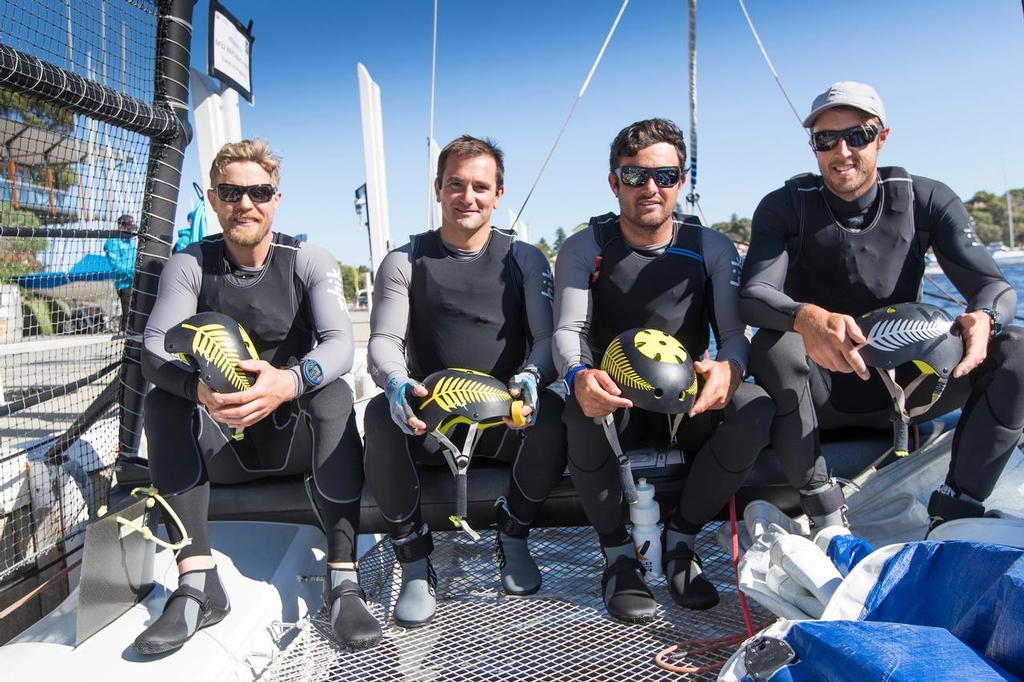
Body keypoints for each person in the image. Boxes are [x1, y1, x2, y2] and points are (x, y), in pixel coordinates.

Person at [740, 81, 1024, 534]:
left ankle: (956, 509)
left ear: (882, 137)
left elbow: (993, 285)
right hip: (823, 390)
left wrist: (984, 317)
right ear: (813, 147)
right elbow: (753, 295)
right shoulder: (784, 207)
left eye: (858, 135)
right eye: (826, 140)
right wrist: (805, 316)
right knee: (775, 346)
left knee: (1017, 350)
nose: (842, 151)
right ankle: (826, 513)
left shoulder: (925, 199)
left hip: (914, 387)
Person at [136, 139, 381, 653]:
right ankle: (199, 583)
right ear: (213, 197)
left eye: (259, 192)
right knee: (163, 401)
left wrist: (286, 383)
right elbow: (155, 350)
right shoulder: (191, 264)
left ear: (276, 198)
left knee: (332, 394)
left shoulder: (307, 259)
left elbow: (342, 344)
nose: (245, 203)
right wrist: (199, 390)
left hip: (294, 443)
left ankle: (342, 579)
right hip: (223, 444)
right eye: (230, 192)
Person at [553, 118, 774, 623]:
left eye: (666, 176)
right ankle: (618, 557)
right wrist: (579, 377)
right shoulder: (586, 246)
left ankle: (682, 541)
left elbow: (734, 336)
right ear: (614, 182)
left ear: (681, 180)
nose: (651, 188)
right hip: (618, 401)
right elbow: (568, 331)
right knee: (574, 406)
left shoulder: (710, 246)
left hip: (686, 399)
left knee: (755, 406)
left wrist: (731, 371)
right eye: (634, 177)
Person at [363, 135, 567, 628]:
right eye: (456, 184)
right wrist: (394, 382)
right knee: (375, 414)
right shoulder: (404, 260)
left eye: (481, 186)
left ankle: (514, 535)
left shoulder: (525, 260)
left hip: (505, 414)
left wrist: (532, 376)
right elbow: (383, 341)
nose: (468, 196)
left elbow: (546, 341)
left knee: (557, 415)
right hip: (431, 417)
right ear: (438, 188)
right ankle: (414, 561)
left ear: (499, 194)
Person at [104, 213, 137, 331]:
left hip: (136, 282)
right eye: (128, 228)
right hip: (125, 284)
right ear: (121, 226)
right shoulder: (112, 242)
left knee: (138, 315)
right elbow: (117, 265)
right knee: (128, 315)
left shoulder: (131, 241)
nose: (131, 231)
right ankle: (125, 339)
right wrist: (134, 272)